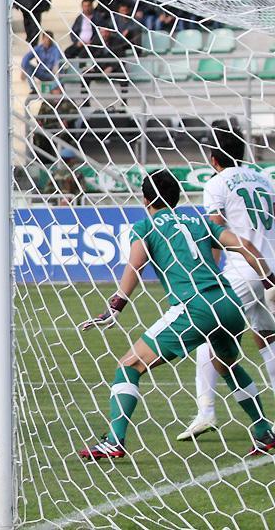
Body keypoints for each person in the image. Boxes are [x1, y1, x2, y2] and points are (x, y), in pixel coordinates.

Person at [79, 170, 275, 459]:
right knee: (226, 365)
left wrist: (115, 306)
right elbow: (244, 245)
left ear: (145, 199)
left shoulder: (146, 227)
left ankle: (114, 441)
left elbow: (135, 266)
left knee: (129, 365)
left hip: (194, 307)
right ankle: (264, 431)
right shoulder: (200, 222)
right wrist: (270, 281)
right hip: (228, 303)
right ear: (176, 197)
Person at [177, 124, 275, 441]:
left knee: (210, 333)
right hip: (271, 270)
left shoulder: (217, 183)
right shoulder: (264, 180)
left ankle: (206, 411)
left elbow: (216, 232)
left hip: (242, 268)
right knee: (269, 339)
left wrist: (210, 274)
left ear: (213, 158)